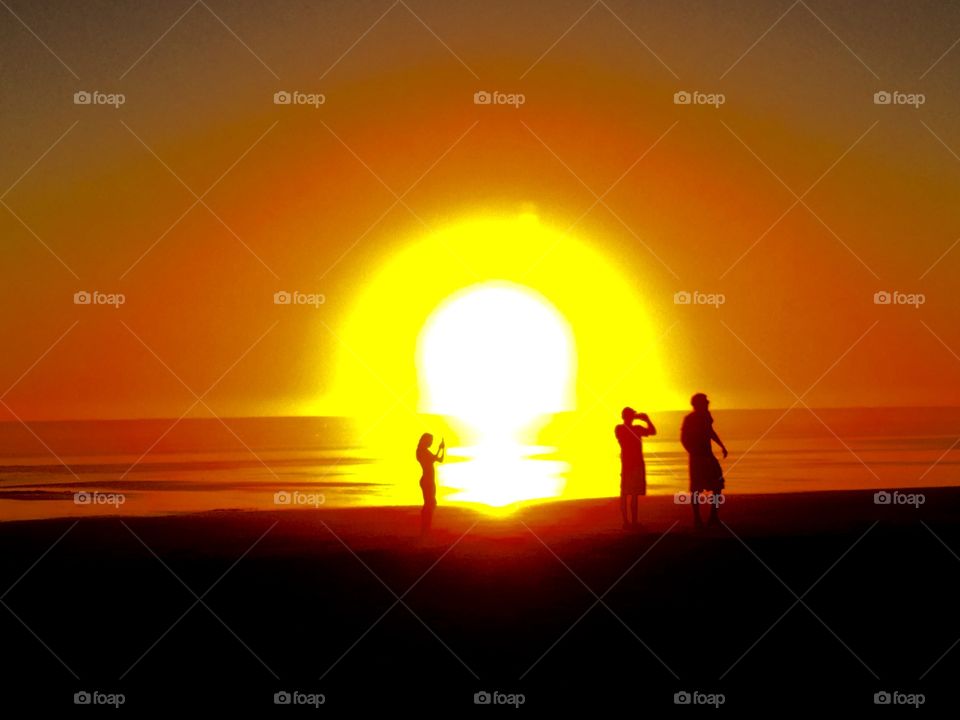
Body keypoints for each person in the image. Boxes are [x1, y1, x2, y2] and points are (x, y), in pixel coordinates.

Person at [680, 393, 728, 528]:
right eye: (705, 401)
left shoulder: (706, 417)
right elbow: (683, 438)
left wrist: (721, 445)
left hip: (708, 455)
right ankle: (697, 519)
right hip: (697, 457)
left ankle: (713, 516)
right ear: (698, 404)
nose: (708, 403)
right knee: (696, 488)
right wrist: (693, 452)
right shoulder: (689, 419)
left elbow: (710, 431)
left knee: (717, 485)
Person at [615, 407, 656, 529]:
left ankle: (631, 522)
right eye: (631, 415)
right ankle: (628, 522)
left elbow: (653, 432)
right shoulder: (621, 428)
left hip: (634, 463)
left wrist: (647, 420)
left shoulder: (632, 428)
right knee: (627, 493)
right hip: (630, 464)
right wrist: (646, 420)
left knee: (632, 494)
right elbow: (652, 431)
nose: (632, 417)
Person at [416, 433, 444, 536]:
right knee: (429, 503)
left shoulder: (424, 451)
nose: (431, 442)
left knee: (431, 503)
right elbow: (434, 459)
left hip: (430, 480)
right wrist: (439, 449)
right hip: (427, 480)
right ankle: (425, 528)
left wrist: (442, 449)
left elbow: (440, 459)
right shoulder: (421, 451)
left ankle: (426, 528)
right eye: (430, 440)